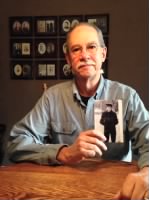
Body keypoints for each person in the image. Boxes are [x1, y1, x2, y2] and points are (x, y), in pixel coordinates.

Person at [7, 22, 149, 200]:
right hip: (64, 192)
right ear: (68, 59)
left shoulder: (127, 96)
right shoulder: (52, 97)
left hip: (116, 192)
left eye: (91, 47)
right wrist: (63, 153)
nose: (84, 56)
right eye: (76, 49)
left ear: (103, 54)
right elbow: (16, 143)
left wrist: (147, 172)